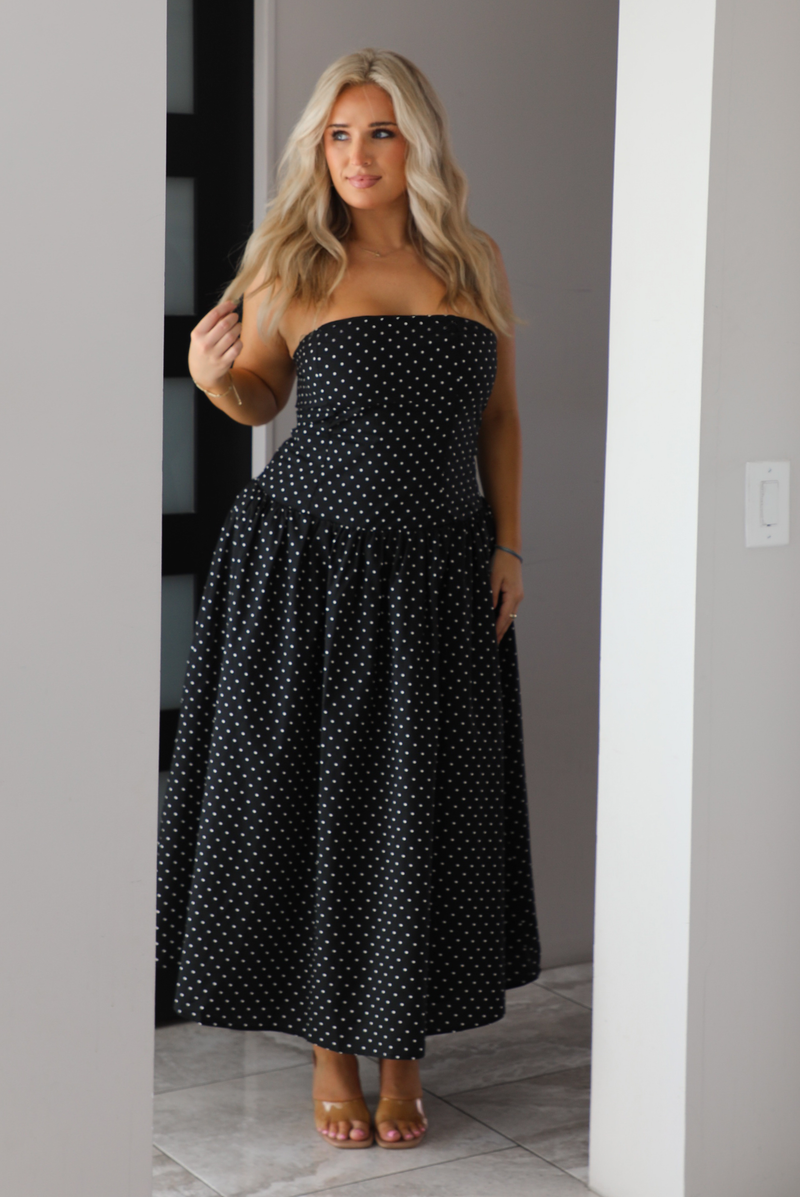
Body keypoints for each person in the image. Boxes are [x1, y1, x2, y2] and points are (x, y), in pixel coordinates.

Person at [156, 47, 540, 1152]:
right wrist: (212, 379)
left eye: (378, 132)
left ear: (417, 141)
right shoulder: (291, 261)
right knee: (321, 809)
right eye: (337, 134)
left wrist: (508, 544)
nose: (357, 155)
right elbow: (259, 397)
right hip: (308, 575)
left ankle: (402, 1053)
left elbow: (499, 418)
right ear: (315, 149)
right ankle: (333, 1052)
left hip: (441, 576)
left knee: (419, 807)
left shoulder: (474, 259)